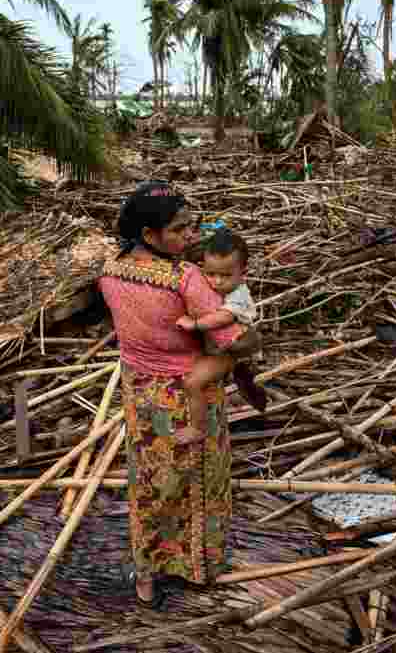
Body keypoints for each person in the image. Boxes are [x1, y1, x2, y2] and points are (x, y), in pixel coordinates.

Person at [97, 180, 261, 608]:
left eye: (192, 226)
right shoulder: (184, 278)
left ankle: (146, 573)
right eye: (180, 230)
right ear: (150, 235)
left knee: (150, 483)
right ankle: (200, 567)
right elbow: (235, 338)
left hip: (141, 396)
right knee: (201, 480)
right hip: (191, 396)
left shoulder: (109, 272)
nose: (190, 237)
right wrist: (249, 342)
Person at [176, 228, 267, 415]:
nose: (216, 282)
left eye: (225, 276)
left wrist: (195, 325)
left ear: (243, 273)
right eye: (210, 274)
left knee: (193, 383)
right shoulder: (211, 283)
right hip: (218, 349)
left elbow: (224, 317)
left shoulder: (238, 294)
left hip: (235, 351)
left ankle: (197, 426)